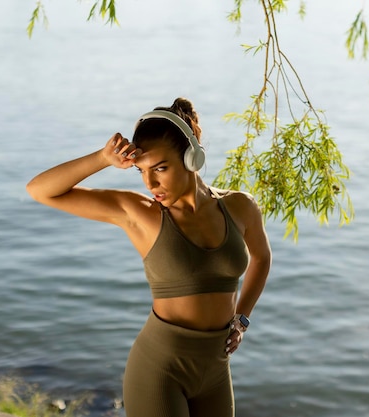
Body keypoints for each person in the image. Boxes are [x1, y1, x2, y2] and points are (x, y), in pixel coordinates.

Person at [26, 97, 272, 417]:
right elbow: (40, 190)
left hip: (215, 369)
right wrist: (102, 158)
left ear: (192, 156)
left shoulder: (240, 206)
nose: (150, 183)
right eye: (142, 171)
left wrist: (242, 319)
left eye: (160, 168)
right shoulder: (140, 214)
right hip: (160, 371)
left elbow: (262, 258)